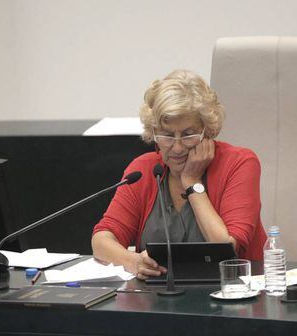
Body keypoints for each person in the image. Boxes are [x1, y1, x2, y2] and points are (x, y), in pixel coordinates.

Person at [91, 69, 267, 280]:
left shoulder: (239, 163)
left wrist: (192, 181)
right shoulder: (144, 170)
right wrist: (133, 261)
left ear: (207, 131)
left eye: (188, 135)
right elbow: (101, 240)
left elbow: (225, 250)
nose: (176, 148)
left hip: (233, 294)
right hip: (157, 300)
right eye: (166, 136)